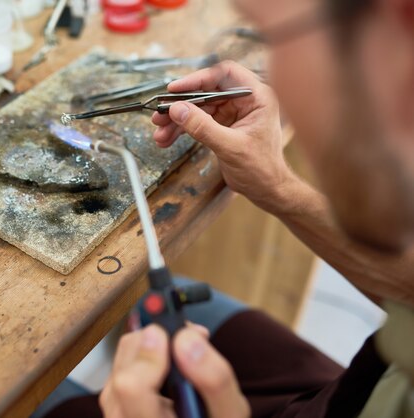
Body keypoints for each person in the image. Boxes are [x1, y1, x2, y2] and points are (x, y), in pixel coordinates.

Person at [34, 0, 414, 416]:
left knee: (33, 395)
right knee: (145, 303)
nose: (278, 83)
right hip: (349, 392)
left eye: (274, 38)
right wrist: (276, 187)